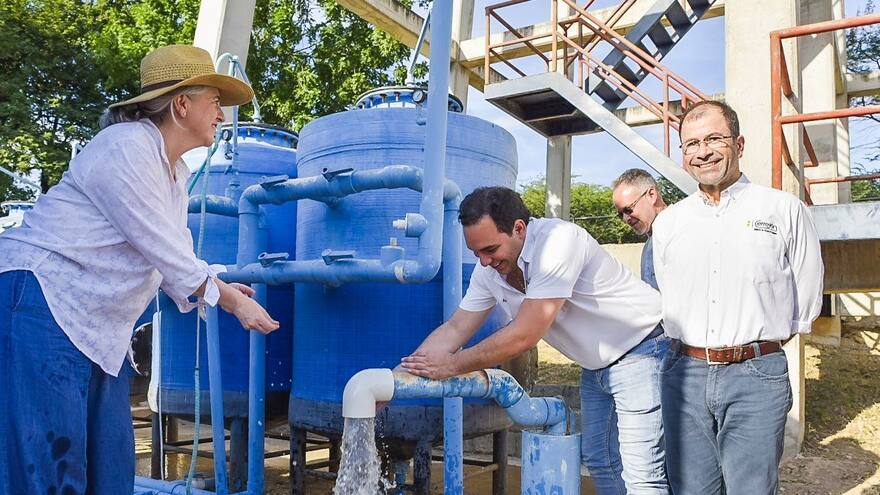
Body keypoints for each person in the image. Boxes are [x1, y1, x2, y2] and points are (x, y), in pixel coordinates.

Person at [0, 44, 280, 493]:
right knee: (46, 469)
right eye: (214, 103)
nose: (221, 116)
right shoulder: (126, 146)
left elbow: (176, 257)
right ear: (181, 104)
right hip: (41, 300)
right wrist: (229, 301)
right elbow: (160, 246)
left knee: (110, 470)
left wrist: (218, 285)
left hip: (98, 328)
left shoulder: (176, 173)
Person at [400, 186, 670, 494]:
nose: (484, 262)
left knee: (642, 473)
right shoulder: (489, 270)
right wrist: (396, 383)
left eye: (490, 249)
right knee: (601, 460)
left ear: (519, 228)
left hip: (642, 348)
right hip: (597, 365)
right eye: (476, 253)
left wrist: (452, 365)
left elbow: (525, 334)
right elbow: (455, 328)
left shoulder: (558, 241)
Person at [651, 100, 823, 495]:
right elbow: (669, 294)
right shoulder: (669, 223)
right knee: (691, 488)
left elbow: (805, 297)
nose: (703, 152)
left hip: (756, 374)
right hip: (684, 374)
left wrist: (751, 347)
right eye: (692, 144)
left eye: (714, 139)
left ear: (739, 144)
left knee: (751, 488)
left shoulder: (784, 210)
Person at [612, 169, 668, 290]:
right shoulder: (649, 244)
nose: (626, 219)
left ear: (651, 195)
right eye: (621, 214)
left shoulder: (683, 231)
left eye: (628, 209)